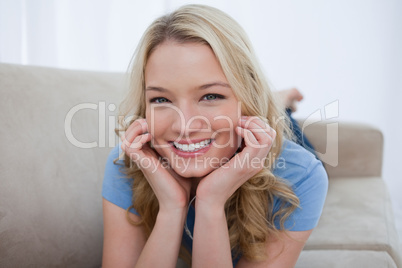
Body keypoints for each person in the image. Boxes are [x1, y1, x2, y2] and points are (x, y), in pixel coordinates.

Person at [102, 4, 328, 268]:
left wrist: (210, 201)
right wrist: (172, 207)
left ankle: (280, 105)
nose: (185, 125)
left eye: (211, 96)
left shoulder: (301, 174)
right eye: (161, 98)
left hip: (272, 144)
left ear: (247, 96)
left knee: (283, 124)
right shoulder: (129, 162)